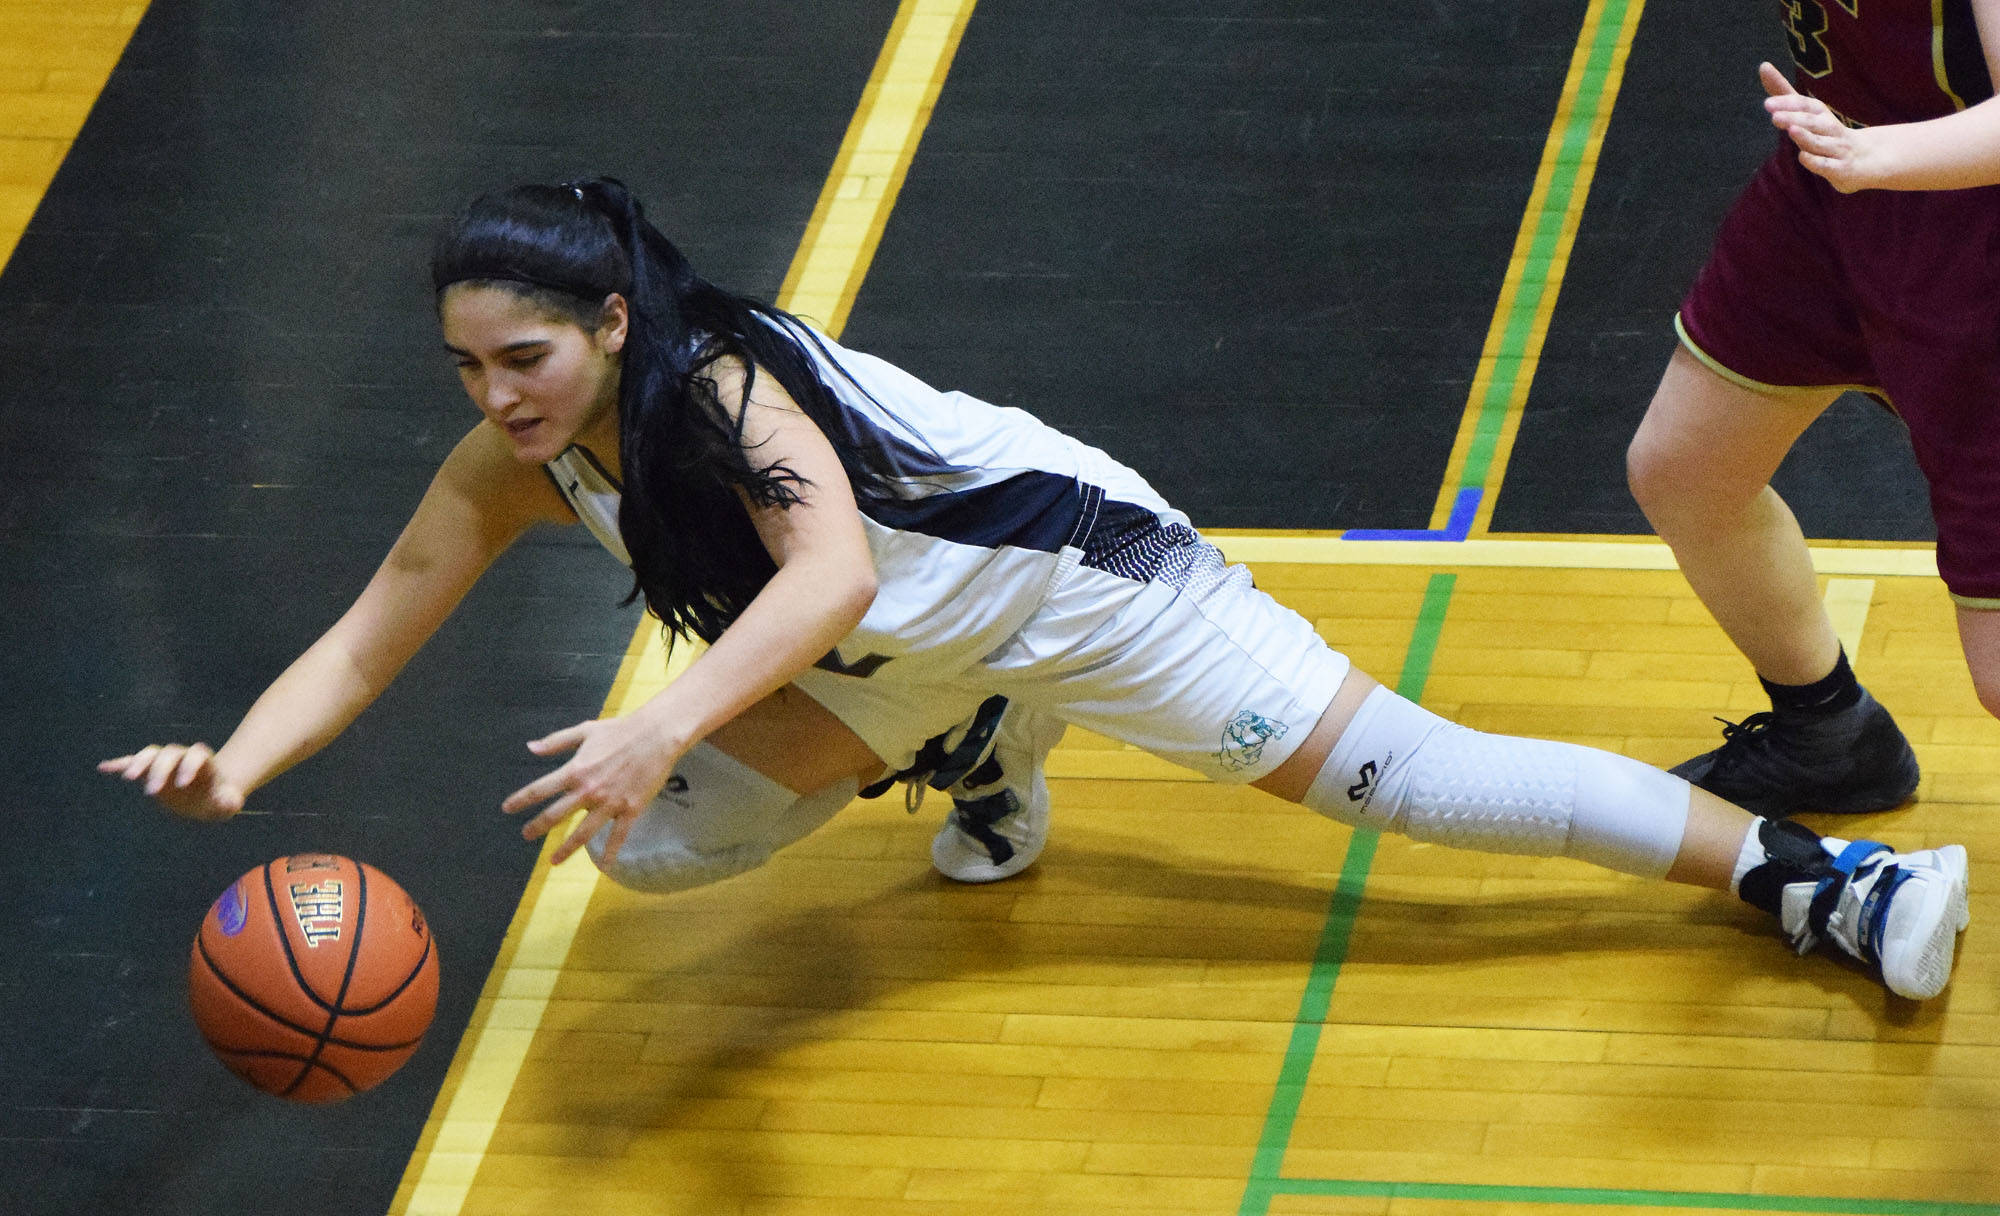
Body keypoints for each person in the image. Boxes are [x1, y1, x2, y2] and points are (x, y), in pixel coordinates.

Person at [101, 180, 1972, 999]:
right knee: (652, 853)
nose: (495, 400)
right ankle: (984, 745)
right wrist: (243, 766)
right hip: (903, 644)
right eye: (464, 373)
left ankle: (1825, 881)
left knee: (1410, 779)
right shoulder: (515, 462)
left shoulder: (718, 387)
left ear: (605, 320)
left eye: (521, 358)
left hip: (1083, 587)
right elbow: (365, 628)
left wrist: (663, 708)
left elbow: (824, 553)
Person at [1626, 1, 2000, 818]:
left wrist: (1874, 153)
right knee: (1687, 471)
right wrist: (1855, 156)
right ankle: (1831, 741)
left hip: (1969, 229)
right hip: (1834, 189)